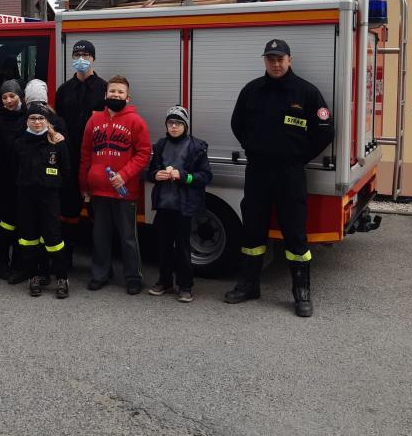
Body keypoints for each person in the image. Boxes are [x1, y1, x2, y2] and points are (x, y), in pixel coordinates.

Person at [227, 39, 334, 317]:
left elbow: (325, 130)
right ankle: (249, 285)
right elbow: (237, 124)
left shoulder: (306, 92)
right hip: (258, 171)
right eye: (271, 59)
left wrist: (299, 157)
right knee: (253, 229)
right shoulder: (252, 91)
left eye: (280, 59)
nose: (276, 64)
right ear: (265, 60)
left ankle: (301, 292)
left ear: (289, 60)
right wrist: (254, 147)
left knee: (295, 233)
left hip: (290, 174)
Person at [79, 75, 151, 294]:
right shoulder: (93, 121)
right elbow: (85, 154)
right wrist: (84, 185)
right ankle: (100, 274)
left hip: (124, 191)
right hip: (98, 190)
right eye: (112, 91)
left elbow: (144, 153)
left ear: (127, 97)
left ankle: (133, 277)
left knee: (128, 237)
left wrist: (124, 175)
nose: (116, 95)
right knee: (100, 236)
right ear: (105, 94)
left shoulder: (136, 121)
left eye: (120, 92)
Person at [146, 106, 212, 303]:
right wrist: (155, 175)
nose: (174, 127)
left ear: (186, 126)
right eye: (170, 123)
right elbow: (150, 172)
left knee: (183, 246)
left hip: (183, 206)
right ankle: (164, 281)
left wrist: (184, 176)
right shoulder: (160, 145)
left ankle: (185, 285)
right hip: (164, 204)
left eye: (178, 123)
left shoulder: (196, 147)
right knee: (163, 245)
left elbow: (205, 176)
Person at [55, 39, 107, 258]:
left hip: (97, 160)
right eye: (77, 56)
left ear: (93, 59)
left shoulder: (105, 89)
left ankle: (101, 262)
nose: (81, 60)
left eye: (86, 56)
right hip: (69, 158)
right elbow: (57, 123)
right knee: (68, 209)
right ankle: (65, 260)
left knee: (98, 212)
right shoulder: (63, 90)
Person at [13, 103, 71, 298]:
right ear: (27, 121)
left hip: (49, 198)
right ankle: (34, 276)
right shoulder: (20, 143)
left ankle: (61, 278)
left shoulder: (57, 142)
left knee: (54, 239)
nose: (37, 122)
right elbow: (12, 169)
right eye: (33, 118)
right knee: (28, 239)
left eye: (41, 118)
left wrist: (53, 184)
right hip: (26, 197)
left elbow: (66, 171)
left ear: (47, 121)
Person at [0, 79, 27, 281]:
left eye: (12, 96)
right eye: (4, 97)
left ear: (20, 96)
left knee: (22, 222)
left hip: (25, 179)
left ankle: (18, 263)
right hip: (6, 179)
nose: (8, 100)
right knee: (6, 222)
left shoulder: (29, 118)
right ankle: (2, 260)